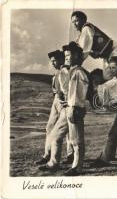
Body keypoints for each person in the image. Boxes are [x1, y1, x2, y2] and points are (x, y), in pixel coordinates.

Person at [40, 42, 89, 176]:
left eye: (69, 55)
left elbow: (78, 94)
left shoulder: (79, 72)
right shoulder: (70, 71)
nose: (67, 57)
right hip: (67, 109)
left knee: (76, 140)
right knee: (55, 136)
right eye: (66, 55)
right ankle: (53, 163)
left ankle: (77, 167)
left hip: (75, 108)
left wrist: (74, 108)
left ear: (78, 56)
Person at [35, 50, 73, 165]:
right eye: (51, 61)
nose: (52, 63)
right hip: (56, 100)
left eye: (54, 60)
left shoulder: (65, 71)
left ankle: (70, 155)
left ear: (62, 59)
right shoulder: (57, 72)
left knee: (67, 130)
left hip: (64, 101)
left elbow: (68, 88)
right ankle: (47, 154)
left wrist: (66, 100)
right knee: (49, 127)